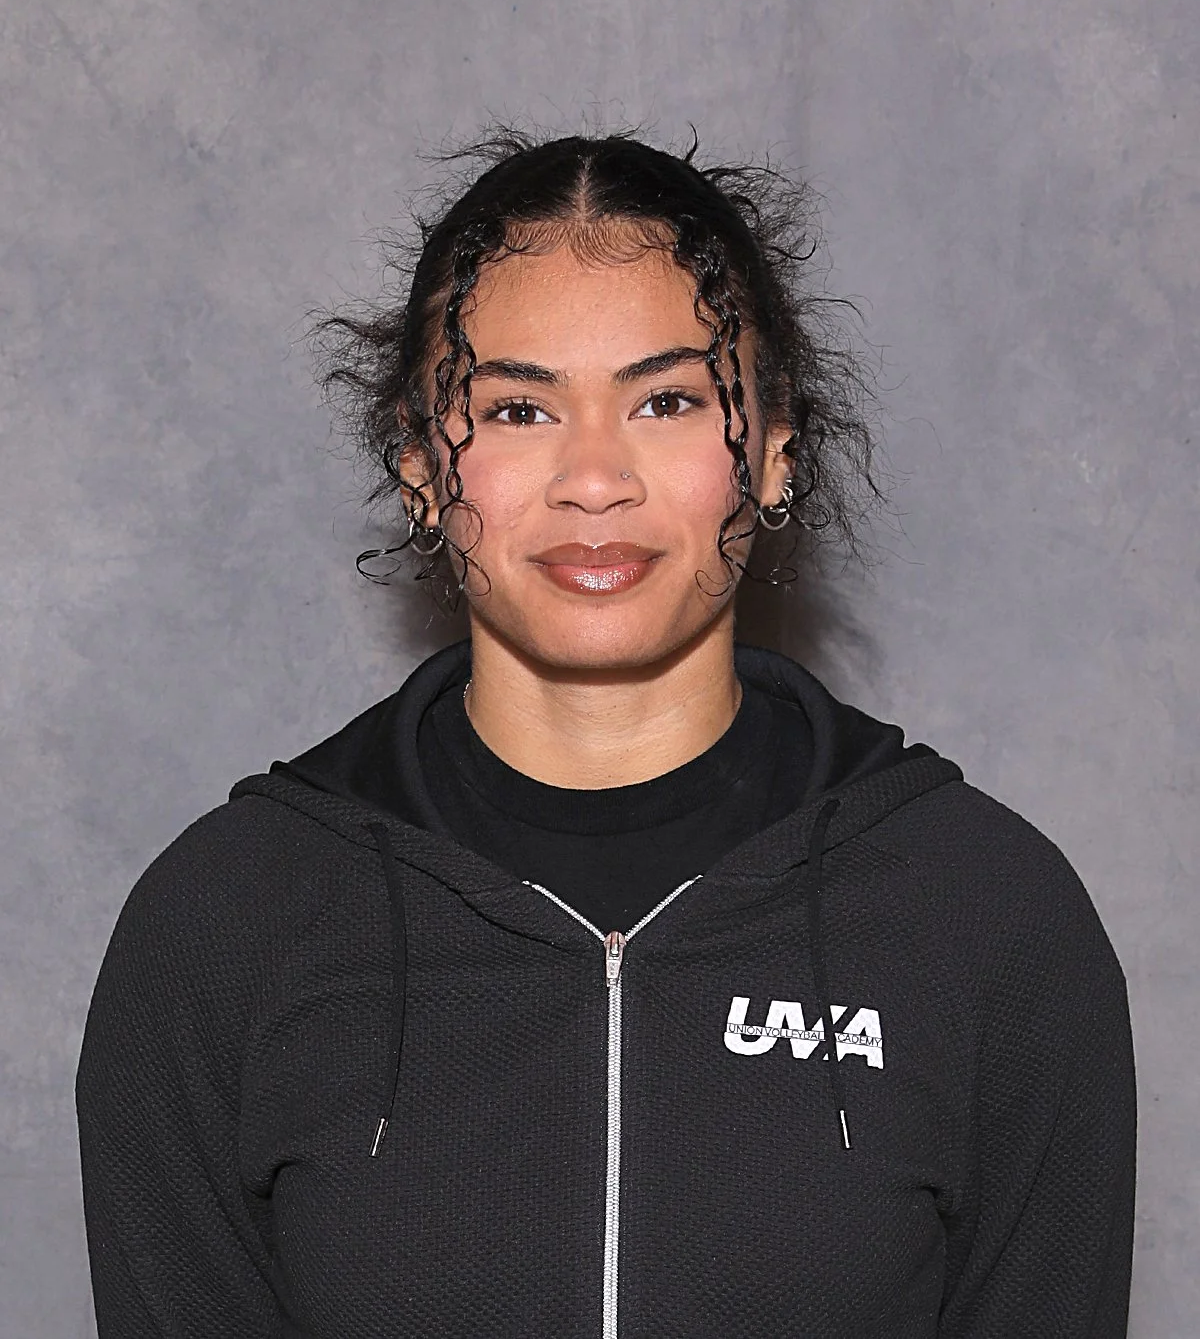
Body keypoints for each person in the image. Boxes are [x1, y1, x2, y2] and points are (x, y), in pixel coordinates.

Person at [76, 129, 1136, 1338]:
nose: (593, 478)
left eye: (667, 400)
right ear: (421, 469)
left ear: (773, 455)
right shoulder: (224, 928)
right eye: (518, 408)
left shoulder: (989, 919)